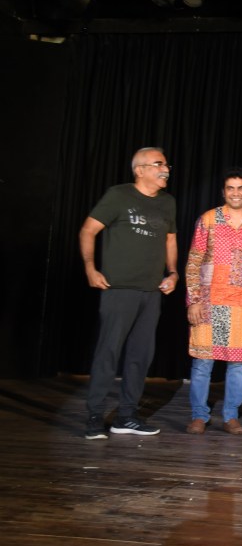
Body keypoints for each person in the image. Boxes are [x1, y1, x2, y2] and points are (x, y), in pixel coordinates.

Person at [80, 147, 178, 439]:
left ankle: (126, 416)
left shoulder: (168, 202)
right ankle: (95, 415)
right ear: (140, 170)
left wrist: (173, 272)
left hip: (151, 291)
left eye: (166, 165)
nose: (166, 169)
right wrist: (90, 268)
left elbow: (170, 240)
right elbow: (88, 230)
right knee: (108, 352)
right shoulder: (119, 195)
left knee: (140, 356)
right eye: (159, 164)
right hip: (119, 289)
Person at [184, 168, 242, 436]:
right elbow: (194, 261)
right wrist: (193, 300)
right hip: (209, 302)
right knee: (203, 362)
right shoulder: (208, 220)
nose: (236, 193)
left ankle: (231, 416)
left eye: (240, 188)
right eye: (230, 188)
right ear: (224, 192)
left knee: (238, 364)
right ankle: (199, 416)